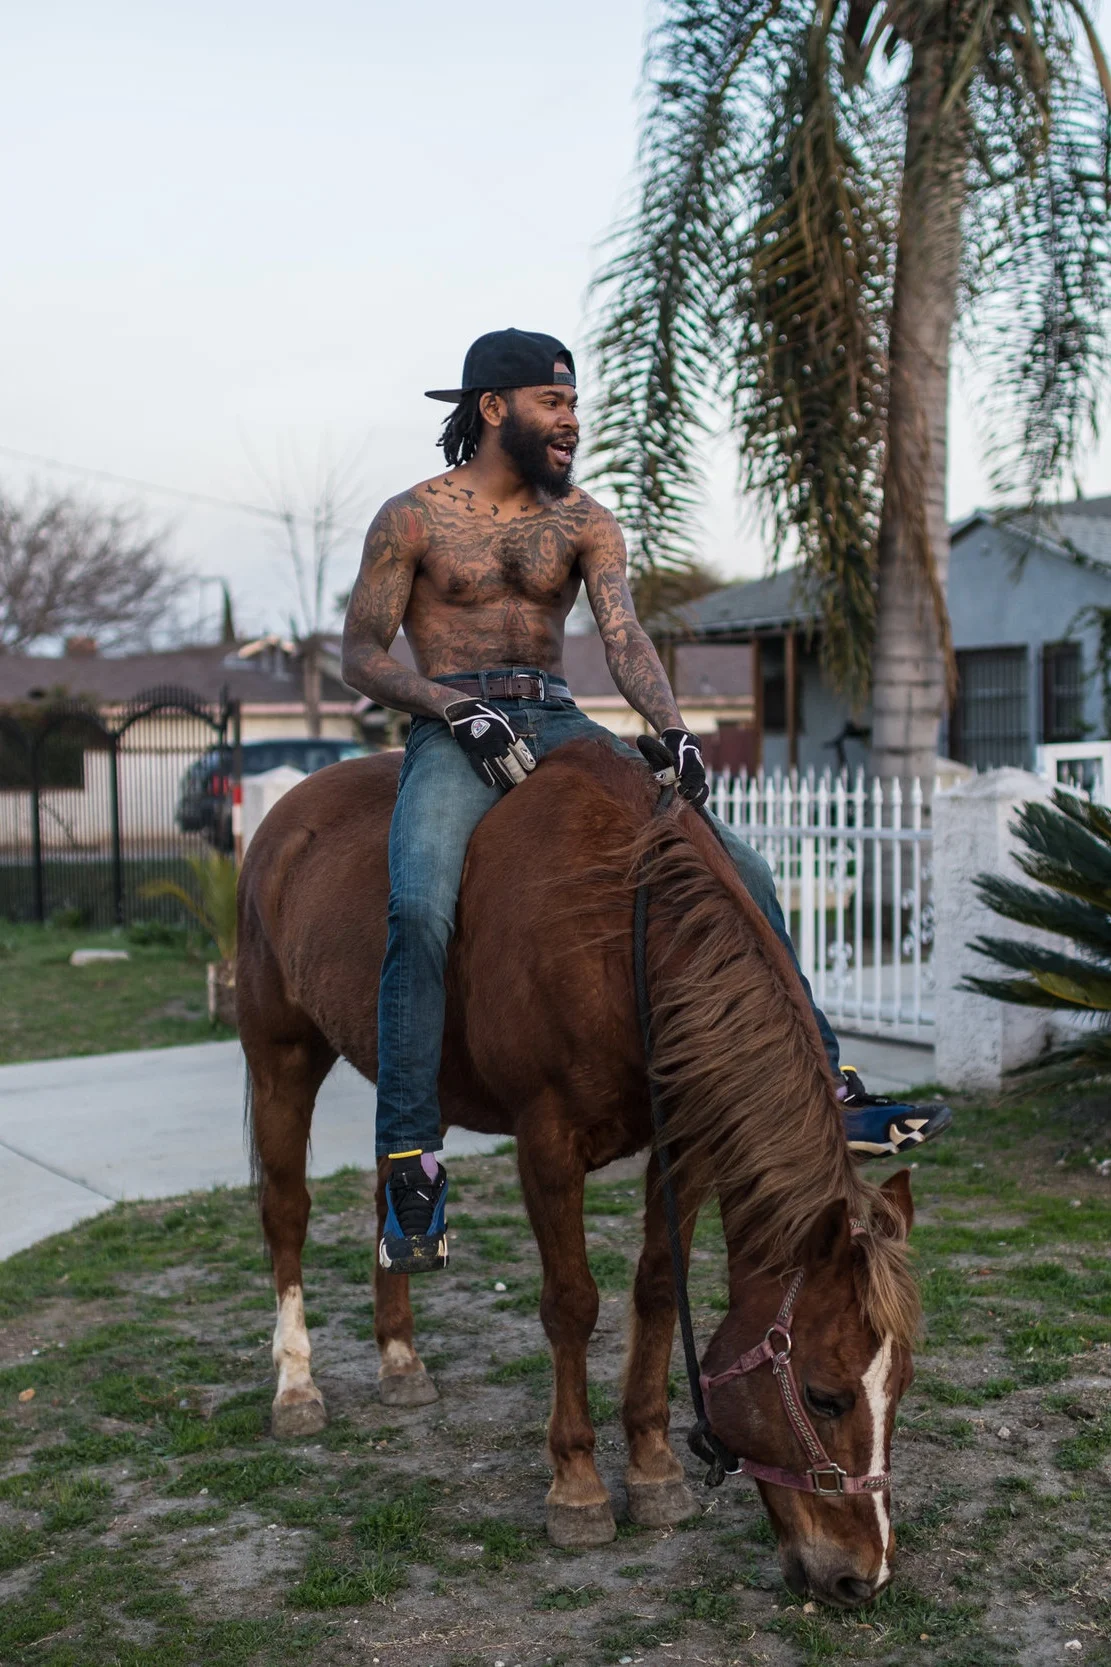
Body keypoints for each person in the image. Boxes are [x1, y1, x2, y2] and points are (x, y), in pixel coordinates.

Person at [341, 328, 951, 1274]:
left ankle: (831, 1082)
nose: (571, 421)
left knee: (740, 870)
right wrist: (452, 708)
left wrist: (672, 732)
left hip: (557, 719)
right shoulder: (411, 519)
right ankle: (410, 1161)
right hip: (454, 729)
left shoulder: (583, 519)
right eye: (553, 403)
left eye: (575, 405)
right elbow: (363, 658)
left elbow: (623, 640)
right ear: (494, 406)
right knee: (418, 902)